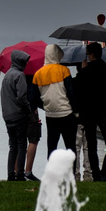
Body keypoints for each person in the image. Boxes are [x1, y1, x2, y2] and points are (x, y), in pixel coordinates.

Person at [73, 43, 106, 181]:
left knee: (91, 146)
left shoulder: (85, 72)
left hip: (88, 112)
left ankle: (96, 174)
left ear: (90, 54)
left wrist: (82, 71)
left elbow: (77, 89)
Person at [32, 43, 79, 175]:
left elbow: (33, 98)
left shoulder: (38, 74)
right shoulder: (63, 70)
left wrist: (45, 106)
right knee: (70, 146)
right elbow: (71, 93)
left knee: (52, 146)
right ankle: (72, 174)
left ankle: (52, 174)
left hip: (50, 115)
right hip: (66, 114)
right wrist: (76, 111)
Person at [0, 49, 38, 182]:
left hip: (8, 116)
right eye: (25, 62)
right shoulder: (19, 75)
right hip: (18, 116)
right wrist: (28, 110)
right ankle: (20, 175)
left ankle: (11, 174)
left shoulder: (7, 75)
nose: (26, 64)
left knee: (12, 146)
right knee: (22, 145)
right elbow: (22, 97)